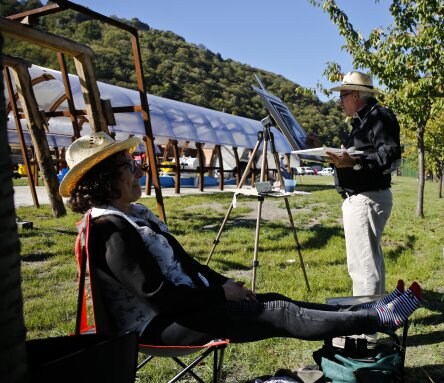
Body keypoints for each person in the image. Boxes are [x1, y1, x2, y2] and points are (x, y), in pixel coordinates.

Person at [59, 132, 418, 347]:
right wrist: (219, 295)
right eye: (129, 166)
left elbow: (186, 265)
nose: (140, 169)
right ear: (105, 179)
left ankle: (370, 309)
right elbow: (161, 298)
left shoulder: (133, 216)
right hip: (156, 326)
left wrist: (225, 284)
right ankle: (379, 319)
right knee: (278, 313)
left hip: (185, 308)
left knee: (275, 300)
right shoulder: (110, 230)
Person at [326, 71, 402, 298]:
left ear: (357, 94)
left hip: (367, 198)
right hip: (362, 198)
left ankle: (364, 329)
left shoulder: (378, 116)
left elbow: (390, 156)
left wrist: (355, 161)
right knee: (368, 264)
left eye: (343, 96)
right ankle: (374, 318)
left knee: (363, 269)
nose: (340, 102)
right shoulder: (363, 120)